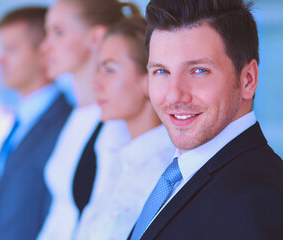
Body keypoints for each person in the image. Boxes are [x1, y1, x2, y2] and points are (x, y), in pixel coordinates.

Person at [128, 0, 283, 239]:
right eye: (161, 71)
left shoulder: (259, 202)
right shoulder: (179, 171)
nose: (174, 95)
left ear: (248, 80)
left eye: (199, 70)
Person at [37, 1, 139, 239]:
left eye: (58, 33)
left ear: (96, 38)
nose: (45, 47)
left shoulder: (116, 123)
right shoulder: (77, 116)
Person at [74, 17, 176, 240]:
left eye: (109, 70)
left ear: (149, 78)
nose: (96, 83)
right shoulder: (120, 161)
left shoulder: (167, 175)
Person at [0, 7, 72, 240]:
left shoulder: (67, 124)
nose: (0, 59)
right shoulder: (21, 120)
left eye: (11, 50)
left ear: (43, 52)